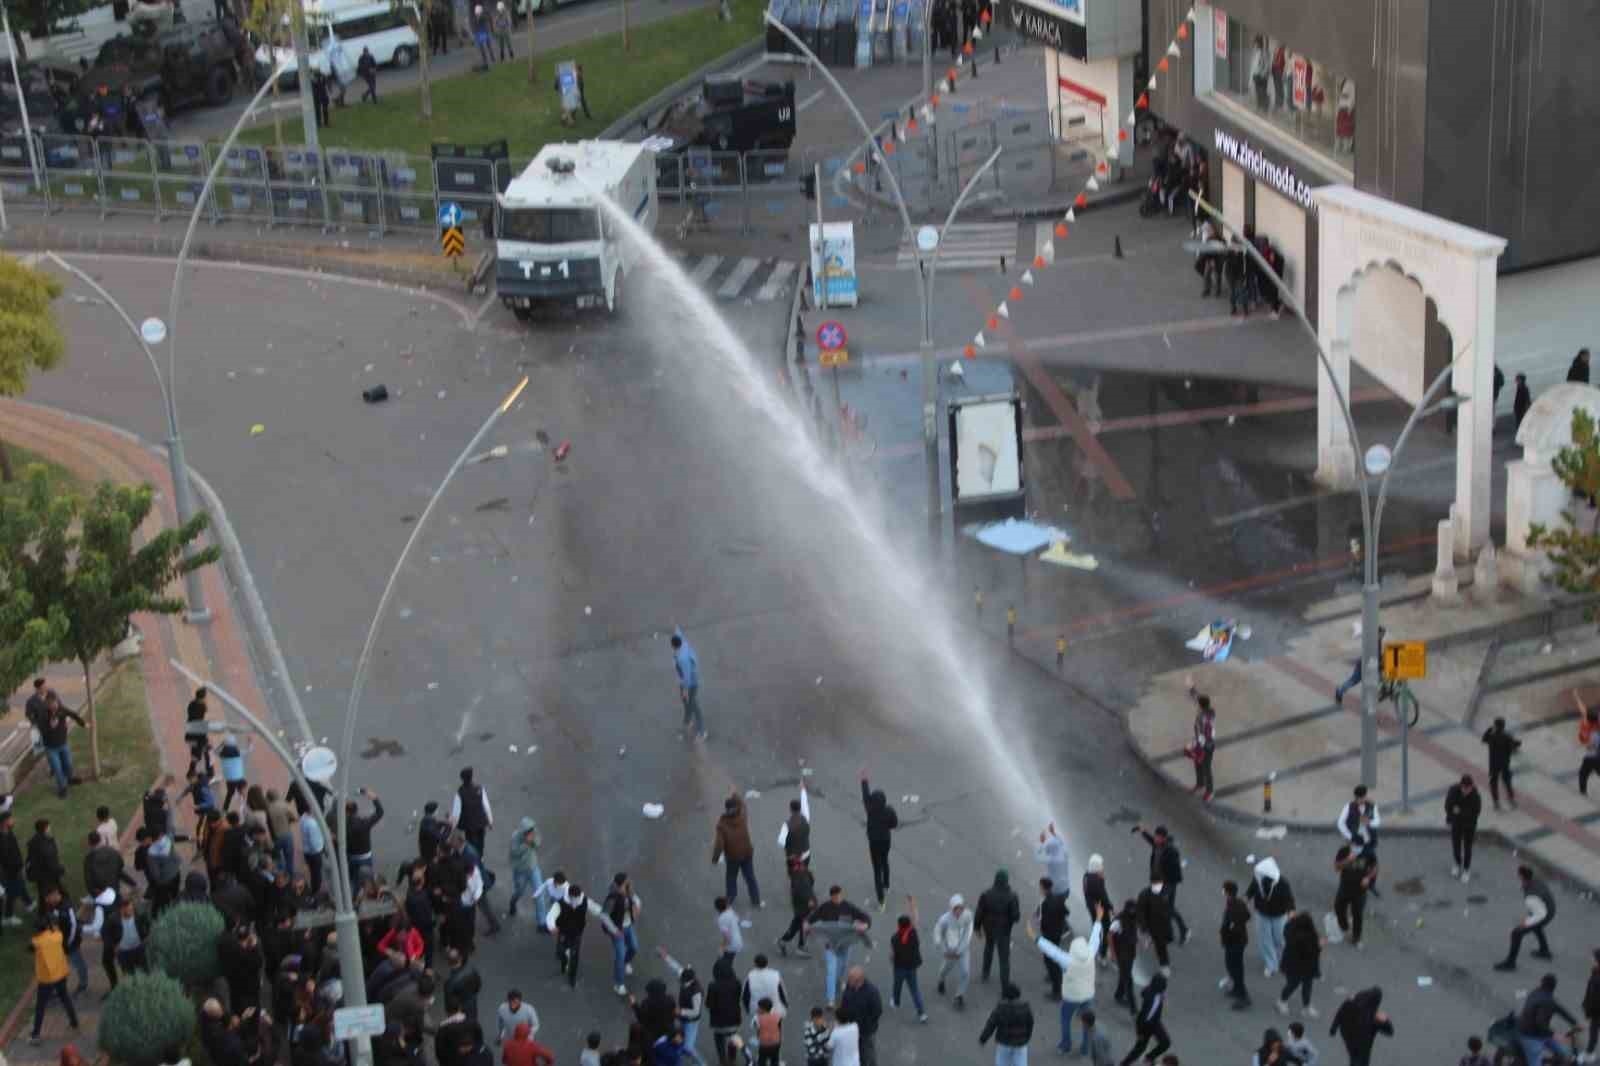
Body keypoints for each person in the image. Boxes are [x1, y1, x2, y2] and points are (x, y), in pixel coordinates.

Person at [1029, 903, 1104, 1054]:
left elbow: (1051, 950)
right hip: (1088, 995)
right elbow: (1095, 938)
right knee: (1087, 1023)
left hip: (1071, 996)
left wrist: (1035, 938)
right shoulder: (1090, 954)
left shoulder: (1067, 960)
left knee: (1065, 1019)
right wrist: (1098, 919)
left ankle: (1066, 1044)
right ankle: (1085, 1048)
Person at [805, 884, 872, 1005]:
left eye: (839, 896)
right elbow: (811, 918)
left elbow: (865, 917)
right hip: (830, 945)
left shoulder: (848, 906)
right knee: (831, 971)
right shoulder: (824, 907)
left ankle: (840, 981)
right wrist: (807, 925)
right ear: (831, 897)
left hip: (845, 944)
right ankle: (830, 1000)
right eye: (835, 897)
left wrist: (865, 925)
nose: (838, 899)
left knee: (843, 966)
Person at [1134, 824, 1189, 946]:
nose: (1156, 839)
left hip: (1167, 884)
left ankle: (1152, 933)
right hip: (1158, 882)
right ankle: (1183, 930)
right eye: (1156, 836)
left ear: (1164, 838)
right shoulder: (1157, 844)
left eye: (1158, 837)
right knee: (1168, 909)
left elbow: (1175, 870)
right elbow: (1150, 839)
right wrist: (1142, 830)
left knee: (1158, 906)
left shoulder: (1171, 851)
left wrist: (1166, 884)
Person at [29, 915, 80, 1044]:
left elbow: (30, 947)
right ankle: (74, 1021)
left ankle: (36, 1034)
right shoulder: (57, 936)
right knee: (65, 998)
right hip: (61, 973)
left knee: (40, 1006)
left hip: (46, 978)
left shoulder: (37, 941)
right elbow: (56, 931)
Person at [1495, 864, 1557, 971]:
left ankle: (1510, 963)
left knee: (1516, 933)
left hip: (1544, 913)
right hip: (1549, 908)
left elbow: (1540, 914)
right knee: (1537, 928)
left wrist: (1526, 922)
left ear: (1521, 876)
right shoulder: (1536, 879)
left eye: (1518, 874)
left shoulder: (1531, 897)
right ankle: (1544, 951)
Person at [1515, 974, 1578, 1066]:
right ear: (1554, 987)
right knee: (1535, 1061)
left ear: (1541, 983)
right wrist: (1556, 1036)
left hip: (1539, 1032)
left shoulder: (1537, 992)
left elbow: (1558, 1008)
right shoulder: (1547, 1000)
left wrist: (1574, 1022)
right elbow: (1540, 1023)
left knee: (1563, 1052)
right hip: (1530, 1035)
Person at [1246, 857, 1295, 978]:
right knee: (1265, 940)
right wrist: (1242, 902)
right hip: (1262, 914)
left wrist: (1291, 914)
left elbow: (1289, 900)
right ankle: (1271, 965)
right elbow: (1249, 892)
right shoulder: (1258, 879)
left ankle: (1282, 960)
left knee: (1280, 939)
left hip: (1279, 916)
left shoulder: (1282, 883)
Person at [712, 790, 761, 909]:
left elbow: (719, 844)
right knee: (750, 877)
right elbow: (743, 805)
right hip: (747, 853)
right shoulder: (742, 816)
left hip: (733, 857)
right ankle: (756, 900)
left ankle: (731, 897)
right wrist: (736, 796)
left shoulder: (722, 825)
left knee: (731, 877)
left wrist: (715, 858)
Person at [859, 771, 899, 908]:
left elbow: (865, 796)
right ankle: (886, 884)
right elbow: (894, 824)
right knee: (885, 861)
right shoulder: (889, 810)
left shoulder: (870, 810)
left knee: (876, 870)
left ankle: (881, 900)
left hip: (874, 842)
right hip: (886, 841)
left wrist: (864, 781)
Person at [975, 869, 1021, 989]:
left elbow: (979, 912)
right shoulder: (1012, 896)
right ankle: (1005, 986)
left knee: (988, 949)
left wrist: (977, 928)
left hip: (989, 928)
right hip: (1004, 931)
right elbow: (1016, 917)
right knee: (1004, 959)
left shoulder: (986, 894)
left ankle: (985, 972)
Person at [1276, 910, 1324, 1017]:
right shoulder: (1307, 936)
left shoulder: (1290, 929)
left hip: (1291, 964)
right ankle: (1302, 1006)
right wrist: (1319, 946)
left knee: (1293, 984)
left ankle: (1283, 1001)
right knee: (1303, 986)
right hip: (1304, 966)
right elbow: (1310, 952)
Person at [888, 896, 927, 1023]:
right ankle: (921, 1013)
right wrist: (913, 903)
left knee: (897, 986)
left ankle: (896, 1001)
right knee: (914, 990)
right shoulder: (912, 932)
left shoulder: (894, 938)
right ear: (909, 925)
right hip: (912, 967)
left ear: (899, 925)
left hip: (899, 967)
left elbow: (892, 955)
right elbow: (915, 917)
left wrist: (892, 960)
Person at [39, 693, 86, 798]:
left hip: (63, 743)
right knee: (57, 768)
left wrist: (83, 724)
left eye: (55, 703)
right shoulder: (43, 715)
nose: (54, 706)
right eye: (51, 704)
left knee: (68, 764)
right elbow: (42, 731)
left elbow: (73, 714)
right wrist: (51, 727)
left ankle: (70, 779)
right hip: (51, 748)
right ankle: (62, 788)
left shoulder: (61, 709)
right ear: (47, 704)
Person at [1119, 972, 1170, 1066]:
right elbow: (1142, 1017)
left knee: (1165, 1042)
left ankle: (1149, 1058)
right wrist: (1140, 1033)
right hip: (1145, 1026)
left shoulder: (1153, 992)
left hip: (1154, 1022)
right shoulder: (1152, 997)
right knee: (1139, 1049)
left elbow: (1144, 992)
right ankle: (1124, 1064)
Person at [933, 893, 973, 1009]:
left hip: (963, 950)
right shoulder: (944, 920)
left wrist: (962, 949)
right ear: (952, 908)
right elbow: (937, 934)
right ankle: (941, 979)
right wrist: (944, 950)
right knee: (946, 968)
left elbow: (968, 932)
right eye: (956, 909)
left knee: (965, 972)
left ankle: (959, 995)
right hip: (950, 951)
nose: (959, 911)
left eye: (961, 908)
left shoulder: (967, 916)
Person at [977, 983, 1032, 1066]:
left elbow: (991, 1025)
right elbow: (1030, 1024)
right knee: (1021, 1063)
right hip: (1021, 1042)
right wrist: (1027, 1037)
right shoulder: (1026, 1008)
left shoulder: (1000, 1009)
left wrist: (983, 1038)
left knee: (1002, 1062)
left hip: (1004, 1042)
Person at [1331, 846, 1373, 949]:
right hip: (1345, 888)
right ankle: (1344, 926)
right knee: (1338, 907)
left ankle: (1356, 937)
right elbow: (1336, 867)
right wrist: (1347, 860)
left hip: (1360, 892)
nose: (1356, 847)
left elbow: (1374, 867)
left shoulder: (1368, 853)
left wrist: (1368, 878)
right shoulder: (1344, 851)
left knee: (1357, 914)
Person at [1035, 877, 1069, 1000]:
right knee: (1053, 957)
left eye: (1040, 887)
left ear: (1043, 888)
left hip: (1049, 934)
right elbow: (1066, 912)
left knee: (1050, 960)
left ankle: (1056, 990)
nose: (1040, 889)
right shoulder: (1058, 899)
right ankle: (1053, 978)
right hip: (1057, 934)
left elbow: (1043, 922)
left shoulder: (1045, 903)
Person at [343, 788, 384, 887]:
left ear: (346, 812)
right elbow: (380, 812)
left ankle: (351, 894)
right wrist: (374, 798)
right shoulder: (365, 823)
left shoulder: (342, 825)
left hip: (351, 856)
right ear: (357, 811)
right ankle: (364, 891)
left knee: (351, 879)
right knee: (366, 878)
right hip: (365, 857)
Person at [1220, 881, 1251, 1009]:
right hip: (1238, 941)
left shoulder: (1233, 905)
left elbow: (1232, 925)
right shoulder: (1238, 902)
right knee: (1232, 965)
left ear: (1227, 892)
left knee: (1235, 967)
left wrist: (1230, 929)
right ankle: (1237, 989)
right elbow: (1248, 916)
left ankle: (1243, 995)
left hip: (1234, 942)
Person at [1445, 774, 1482, 882]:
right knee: (1456, 844)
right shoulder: (1453, 790)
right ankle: (1457, 864)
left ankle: (1466, 870)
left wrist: (1458, 811)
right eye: (1464, 788)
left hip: (1469, 825)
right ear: (1461, 786)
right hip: (1456, 823)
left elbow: (1475, 813)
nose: (1466, 791)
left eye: (1468, 789)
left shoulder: (1476, 796)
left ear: (1471, 787)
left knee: (1467, 847)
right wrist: (1453, 816)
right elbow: (1448, 806)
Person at [672, 627, 706, 740]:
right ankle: (688, 723)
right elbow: (678, 632)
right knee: (688, 704)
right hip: (689, 683)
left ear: (674, 646)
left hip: (690, 685)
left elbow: (686, 676)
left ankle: (701, 731)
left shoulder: (682, 659)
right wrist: (675, 626)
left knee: (692, 706)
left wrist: (685, 690)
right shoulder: (684, 643)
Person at [1136, 873, 1174, 972]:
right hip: (1153, 926)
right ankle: (1164, 964)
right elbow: (1140, 912)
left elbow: (1168, 906)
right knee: (1161, 946)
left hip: (1164, 923)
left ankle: (1151, 940)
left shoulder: (1165, 891)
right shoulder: (1144, 895)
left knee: (1164, 941)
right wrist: (1143, 927)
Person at [451, 768, 493, 858]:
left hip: (469, 825)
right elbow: (486, 806)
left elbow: (456, 813)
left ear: (462, 779)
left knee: (471, 843)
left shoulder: (460, 793)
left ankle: (474, 859)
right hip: (481, 822)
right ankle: (480, 857)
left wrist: (452, 827)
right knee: (481, 841)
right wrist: (490, 821)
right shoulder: (479, 788)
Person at [1482, 717, 1522, 810]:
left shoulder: (1491, 736)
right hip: (1504, 764)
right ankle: (1511, 800)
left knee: (1494, 783)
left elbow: (1484, 739)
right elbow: (1514, 746)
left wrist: (1489, 729)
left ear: (1495, 726)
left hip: (1493, 764)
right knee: (1507, 782)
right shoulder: (1507, 737)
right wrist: (1517, 743)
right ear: (1504, 726)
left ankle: (1496, 802)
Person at [1186, 686, 1217, 801]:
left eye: (1198, 703)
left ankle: (1210, 791)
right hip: (1201, 743)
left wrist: (1195, 745)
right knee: (1197, 764)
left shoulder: (1205, 718)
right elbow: (1198, 698)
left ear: (1201, 706)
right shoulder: (1207, 710)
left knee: (1206, 768)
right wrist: (1191, 689)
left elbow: (1207, 735)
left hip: (1206, 746)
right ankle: (1200, 784)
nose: (1196, 704)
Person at [1109, 898, 1139, 1014]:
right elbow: (1110, 935)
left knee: (1125, 974)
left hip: (1130, 951)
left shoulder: (1133, 917)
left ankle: (1119, 994)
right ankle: (1133, 1009)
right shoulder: (1118, 921)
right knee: (1128, 979)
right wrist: (1112, 953)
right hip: (1122, 954)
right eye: (1132, 909)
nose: (1133, 911)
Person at [25, 818, 65, 903]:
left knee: (43, 893)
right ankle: (52, 911)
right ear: (45, 828)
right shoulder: (46, 844)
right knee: (53, 895)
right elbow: (51, 862)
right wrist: (60, 870)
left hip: (39, 874)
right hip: (48, 875)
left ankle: (44, 911)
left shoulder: (33, 841)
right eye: (48, 827)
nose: (50, 828)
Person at [1576, 694, 1600, 797]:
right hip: (1597, 756)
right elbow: (1584, 711)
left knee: (1583, 773)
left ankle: (1583, 792)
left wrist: (1576, 697)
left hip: (1591, 757)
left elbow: (1584, 741)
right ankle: (1582, 791)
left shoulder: (1586, 727)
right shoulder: (1597, 724)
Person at [1034, 823, 1069, 888]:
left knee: (1044, 882)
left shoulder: (1051, 859)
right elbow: (1061, 842)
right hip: (1065, 888)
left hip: (1056, 890)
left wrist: (1041, 842)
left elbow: (1037, 856)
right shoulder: (1064, 855)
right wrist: (1053, 833)